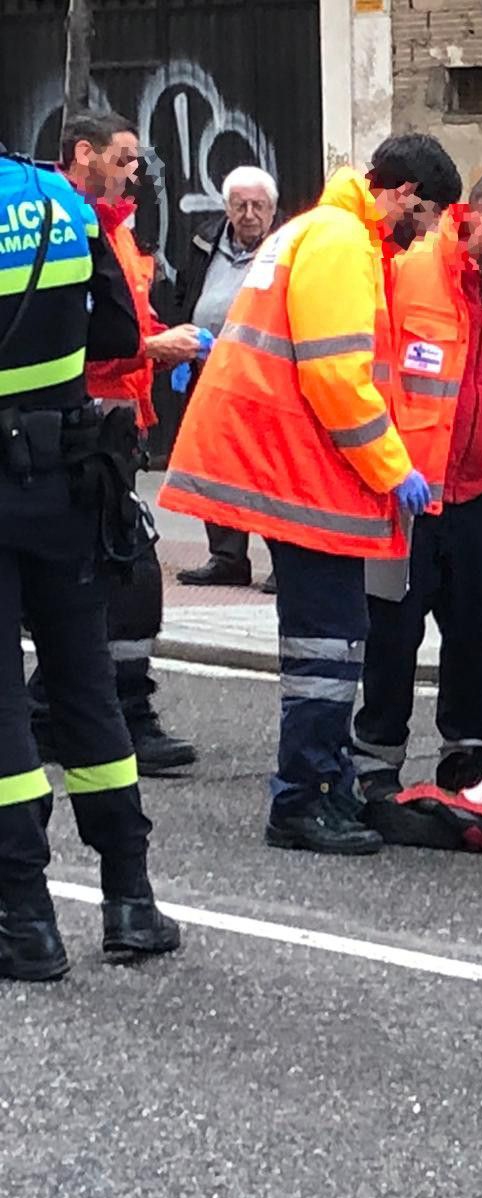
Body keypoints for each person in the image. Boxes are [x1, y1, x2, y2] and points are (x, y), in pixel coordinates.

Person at [159, 133, 461, 856]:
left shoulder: (321, 232)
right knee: (326, 648)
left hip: (291, 465)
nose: (425, 235)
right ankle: (303, 798)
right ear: (404, 196)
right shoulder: (342, 243)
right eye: (427, 217)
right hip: (301, 471)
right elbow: (336, 376)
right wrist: (394, 468)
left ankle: (322, 783)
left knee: (325, 642)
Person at [0, 149, 181, 980]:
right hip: (70, 481)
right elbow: (115, 332)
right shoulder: (55, 199)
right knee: (86, 688)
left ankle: (26, 925)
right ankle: (130, 901)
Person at [352, 169, 482, 809]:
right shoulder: (408, 271)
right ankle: (375, 758)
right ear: (478, 219)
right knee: (393, 625)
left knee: (478, 626)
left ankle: (471, 755)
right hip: (411, 490)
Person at [46, 112, 201, 774]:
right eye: (125, 157)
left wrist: (161, 341)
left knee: (103, 578)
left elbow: (125, 320)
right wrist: (153, 347)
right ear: (86, 154)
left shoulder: (115, 231)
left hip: (116, 430)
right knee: (126, 577)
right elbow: (82, 340)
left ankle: (62, 708)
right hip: (79, 433)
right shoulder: (65, 231)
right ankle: (117, 712)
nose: (136, 171)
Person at [171, 165, 281, 590]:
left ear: (273, 210)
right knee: (214, 465)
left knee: (267, 470)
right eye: (240, 205)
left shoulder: (287, 246)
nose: (249, 213)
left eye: (258, 206)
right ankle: (226, 557)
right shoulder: (205, 240)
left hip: (263, 378)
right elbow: (186, 289)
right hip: (208, 374)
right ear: (227, 208)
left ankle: (282, 558)